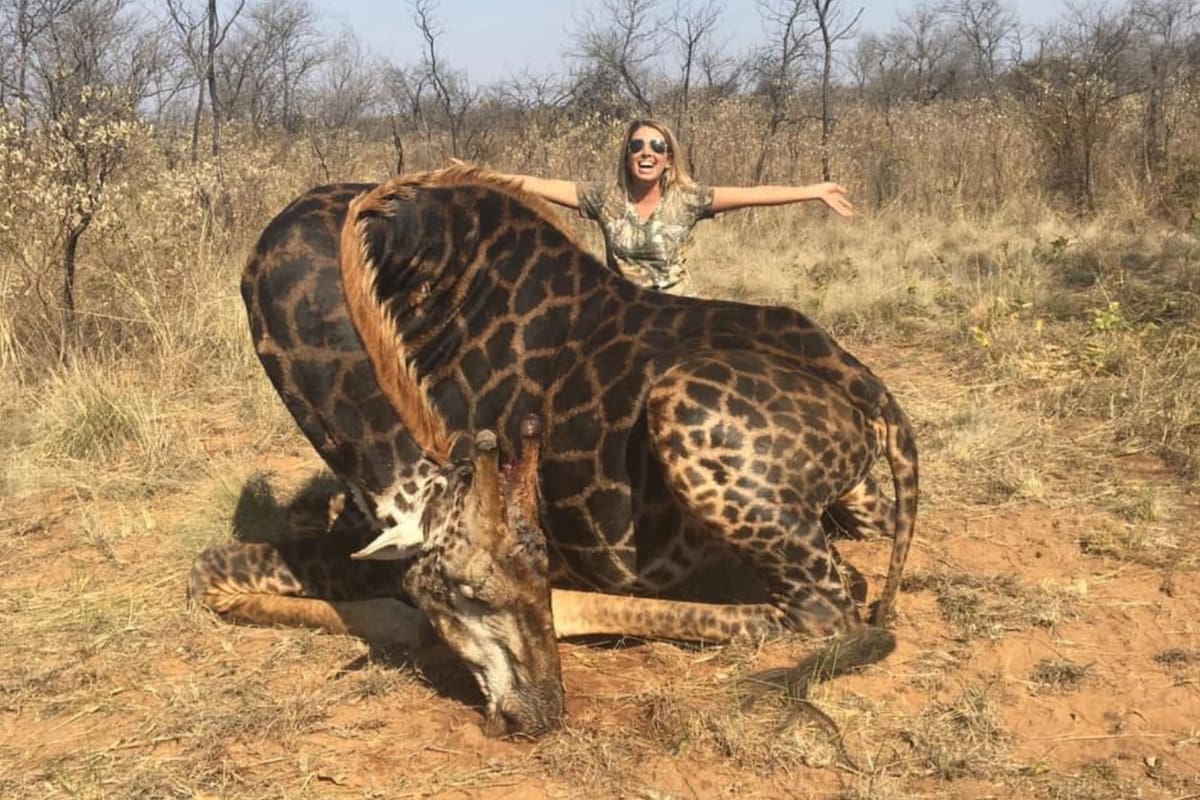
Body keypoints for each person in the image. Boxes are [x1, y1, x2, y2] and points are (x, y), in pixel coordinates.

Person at [483, 117, 855, 295]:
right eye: (637, 146)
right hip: (624, 311)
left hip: (678, 310)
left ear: (669, 157)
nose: (647, 153)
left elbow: (757, 192)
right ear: (627, 156)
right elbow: (538, 185)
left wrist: (813, 190)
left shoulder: (689, 198)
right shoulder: (605, 197)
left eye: (657, 147)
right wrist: (479, 176)